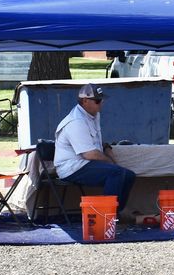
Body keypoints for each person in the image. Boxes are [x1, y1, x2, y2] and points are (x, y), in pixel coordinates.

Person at [53, 83, 136, 215]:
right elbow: (90, 154)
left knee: (129, 175)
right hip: (72, 167)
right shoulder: (76, 121)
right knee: (116, 173)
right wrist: (110, 161)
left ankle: (115, 214)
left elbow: (92, 142)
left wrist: (105, 146)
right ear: (85, 101)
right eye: (98, 100)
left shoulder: (92, 114)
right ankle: (106, 215)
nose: (101, 103)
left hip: (84, 163)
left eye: (102, 99)